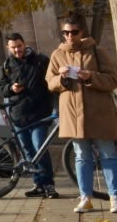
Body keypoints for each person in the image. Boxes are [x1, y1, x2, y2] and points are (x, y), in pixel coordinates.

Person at [46, 11, 117, 213]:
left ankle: (114, 196)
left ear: (81, 32)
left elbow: (113, 79)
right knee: (81, 156)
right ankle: (85, 197)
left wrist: (90, 76)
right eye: (65, 33)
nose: (69, 36)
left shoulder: (96, 51)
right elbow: (49, 83)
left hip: (100, 112)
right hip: (73, 114)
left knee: (108, 154)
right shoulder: (57, 55)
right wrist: (60, 78)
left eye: (73, 32)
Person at [0, 32, 58, 199]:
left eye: (19, 46)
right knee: (28, 152)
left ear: (24, 44)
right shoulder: (7, 65)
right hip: (17, 114)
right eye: (13, 47)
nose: (17, 50)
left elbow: (51, 84)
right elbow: (1, 86)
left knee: (40, 148)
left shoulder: (40, 61)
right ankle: (38, 183)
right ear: (8, 48)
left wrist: (54, 107)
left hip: (39, 113)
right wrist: (11, 88)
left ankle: (48, 185)